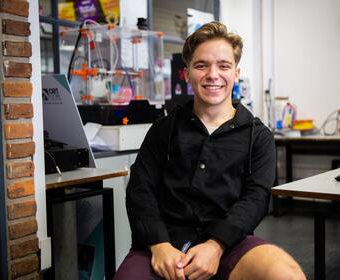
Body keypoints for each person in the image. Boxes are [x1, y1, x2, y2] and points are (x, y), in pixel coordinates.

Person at [114, 21, 306, 280]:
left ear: (236, 73)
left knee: (286, 275)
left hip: (229, 244)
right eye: (201, 65)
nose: (213, 74)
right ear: (187, 74)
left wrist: (216, 246)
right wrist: (159, 245)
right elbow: (140, 190)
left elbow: (256, 198)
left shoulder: (257, 136)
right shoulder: (163, 129)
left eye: (224, 66)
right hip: (164, 243)